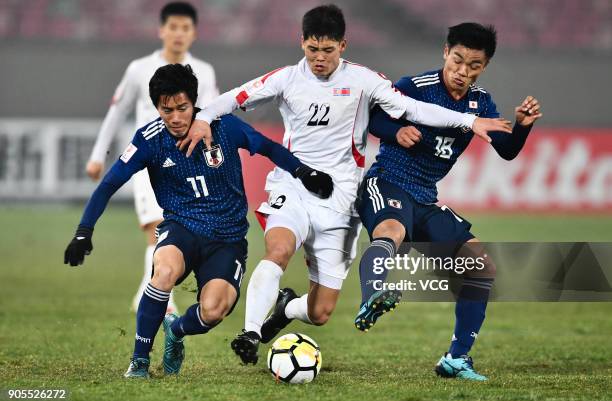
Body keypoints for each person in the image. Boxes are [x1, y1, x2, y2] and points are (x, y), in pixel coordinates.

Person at [177, 4, 512, 365]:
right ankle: (251, 333)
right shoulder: (286, 79)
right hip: (293, 185)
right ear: (302, 42)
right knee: (278, 249)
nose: (319, 58)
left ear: (343, 45)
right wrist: (205, 116)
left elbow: (413, 110)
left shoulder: (365, 81)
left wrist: (469, 122)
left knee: (320, 312)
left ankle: (286, 307)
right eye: (312, 49)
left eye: (328, 50)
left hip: (340, 198)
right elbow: (237, 96)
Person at [63, 64, 333, 378]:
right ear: (157, 108)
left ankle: (176, 331)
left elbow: (268, 147)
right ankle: (139, 362)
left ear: (194, 103)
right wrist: (84, 231)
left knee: (214, 310)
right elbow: (109, 184)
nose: (176, 118)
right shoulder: (149, 139)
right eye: (167, 110)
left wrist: (303, 172)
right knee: (162, 271)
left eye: (182, 108)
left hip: (227, 239)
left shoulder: (224, 127)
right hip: (181, 228)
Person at [359, 22, 542, 381]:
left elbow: (506, 151)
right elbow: (372, 118)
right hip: (388, 184)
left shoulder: (481, 102)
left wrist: (521, 126)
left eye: (473, 65)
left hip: (426, 199)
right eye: (457, 60)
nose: (462, 71)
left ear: (484, 66)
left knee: (480, 266)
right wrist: (396, 130)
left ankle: (456, 359)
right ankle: (372, 294)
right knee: (392, 231)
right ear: (445, 52)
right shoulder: (416, 87)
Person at [86, 2, 219, 314]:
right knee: (157, 227)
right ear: (161, 30)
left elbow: (211, 119)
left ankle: (147, 291)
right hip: (151, 162)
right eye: (173, 27)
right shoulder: (139, 69)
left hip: (188, 165)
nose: (178, 34)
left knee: (178, 230)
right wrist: (97, 157)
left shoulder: (205, 72)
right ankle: (164, 300)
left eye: (185, 28)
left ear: (194, 34)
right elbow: (116, 112)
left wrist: (212, 158)